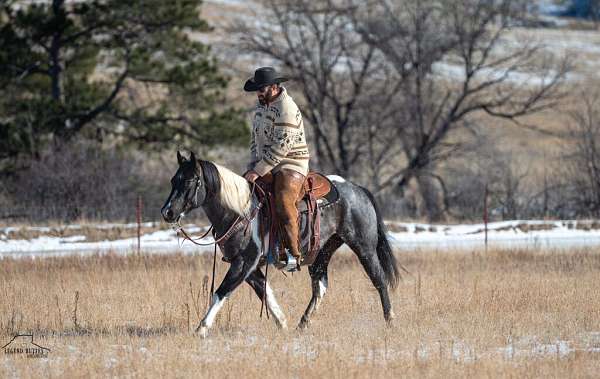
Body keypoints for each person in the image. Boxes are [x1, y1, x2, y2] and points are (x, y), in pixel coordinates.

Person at [243, 67, 310, 267]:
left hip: (291, 161)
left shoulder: (287, 108)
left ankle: (293, 252)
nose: (258, 93)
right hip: (267, 163)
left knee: (283, 199)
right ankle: (253, 246)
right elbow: (255, 139)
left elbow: (283, 145)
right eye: (257, 89)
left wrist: (258, 170)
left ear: (274, 87)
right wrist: (253, 164)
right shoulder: (262, 107)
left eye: (261, 89)